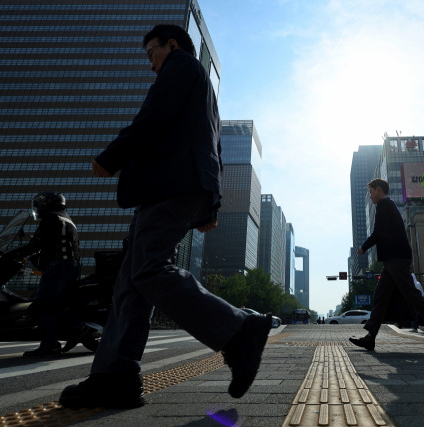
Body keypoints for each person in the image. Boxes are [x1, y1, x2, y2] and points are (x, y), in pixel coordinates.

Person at [59, 25, 271, 409]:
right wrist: (212, 203)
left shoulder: (181, 66)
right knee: (130, 283)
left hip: (170, 186)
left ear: (171, 44)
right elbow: (214, 145)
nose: (151, 66)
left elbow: (153, 117)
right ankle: (115, 377)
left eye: (151, 54)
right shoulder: (200, 86)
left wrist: (111, 157)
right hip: (179, 187)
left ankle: (238, 329)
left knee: (147, 270)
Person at [350, 178, 424, 353]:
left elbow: (378, 233)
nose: (370, 196)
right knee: (381, 296)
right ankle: (370, 337)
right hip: (392, 260)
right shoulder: (387, 205)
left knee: (414, 297)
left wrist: (363, 247)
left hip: (396, 259)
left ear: (378, 189)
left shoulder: (384, 205)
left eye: (371, 192)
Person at [13, 192, 82, 358]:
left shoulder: (51, 218)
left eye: (40, 204)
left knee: (43, 304)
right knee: (55, 303)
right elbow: (51, 244)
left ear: (48, 204)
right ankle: (74, 328)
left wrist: (14, 253)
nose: (38, 207)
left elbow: (36, 243)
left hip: (59, 266)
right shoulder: (65, 218)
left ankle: (53, 343)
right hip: (70, 265)